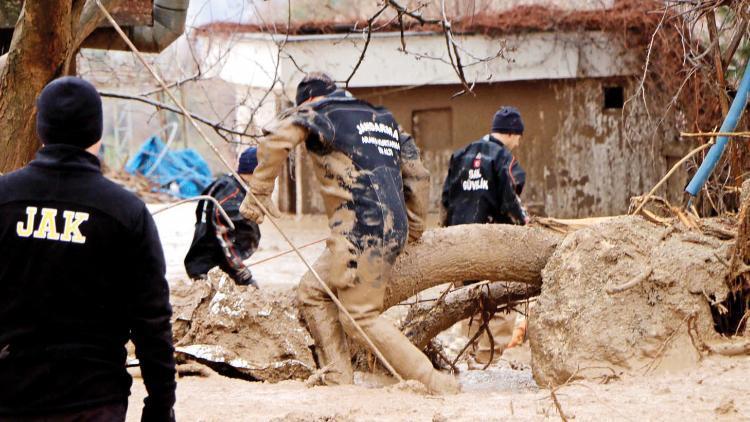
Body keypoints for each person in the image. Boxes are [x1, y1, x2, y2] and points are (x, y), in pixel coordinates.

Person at [239, 72, 459, 393]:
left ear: (309, 100)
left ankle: (436, 384)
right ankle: (338, 381)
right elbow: (418, 175)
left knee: (360, 317)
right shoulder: (383, 119)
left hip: (359, 232)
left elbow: (275, 139)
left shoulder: (319, 112)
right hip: (388, 226)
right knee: (312, 292)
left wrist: (258, 193)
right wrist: (413, 227)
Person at [0, 77, 176, 421]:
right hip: (94, 404)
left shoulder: (3, 200)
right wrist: (160, 405)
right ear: (98, 132)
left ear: (41, 129)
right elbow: (152, 322)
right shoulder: (126, 213)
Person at [441, 106, 530, 365]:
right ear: (513, 134)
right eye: (519, 137)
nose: (518, 142)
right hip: (492, 243)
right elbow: (511, 197)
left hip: (460, 242)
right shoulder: (504, 159)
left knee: (470, 301)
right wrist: (525, 222)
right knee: (501, 303)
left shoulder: (461, 154)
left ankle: (468, 356)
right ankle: (488, 359)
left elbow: (446, 199)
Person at [184, 147, 261, 287]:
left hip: (208, 263)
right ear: (257, 172)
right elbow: (224, 235)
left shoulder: (228, 184)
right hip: (210, 268)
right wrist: (241, 272)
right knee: (251, 289)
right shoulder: (232, 195)